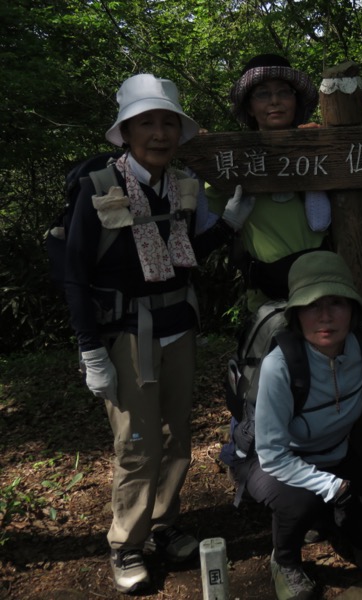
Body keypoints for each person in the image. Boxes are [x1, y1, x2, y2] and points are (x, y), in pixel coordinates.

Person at [63, 74, 254, 593]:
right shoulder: (99, 186)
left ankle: (164, 524)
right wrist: (89, 348)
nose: (160, 132)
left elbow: (184, 257)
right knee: (137, 444)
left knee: (177, 439)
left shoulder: (182, 185)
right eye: (147, 122)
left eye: (168, 121)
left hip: (178, 328)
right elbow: (75, 272)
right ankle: (126, 544)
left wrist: (229, 224)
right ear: (126, 131)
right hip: (126, 336)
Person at [220, 250, 362, 600]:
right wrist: (334, 488)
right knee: (301, 502)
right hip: (269, 459)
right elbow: (272, 454)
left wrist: (340, 486)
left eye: (336, 303)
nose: (326, 316)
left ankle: (325, 519)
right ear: (296, 314)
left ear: (353, 311)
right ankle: (284, 559)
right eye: (312, 305)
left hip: (335, 453)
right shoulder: (281, 366)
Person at [207, 54, 331, 311]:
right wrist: (202, 157)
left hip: (325, 287)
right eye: (262, 94)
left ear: (295, 101)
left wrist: (319, 146)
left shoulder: (323, 148)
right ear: (250, 107)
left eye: (283, 92)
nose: (274, 101)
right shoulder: (234, 161)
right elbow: (204, 216)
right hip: (267, 298)